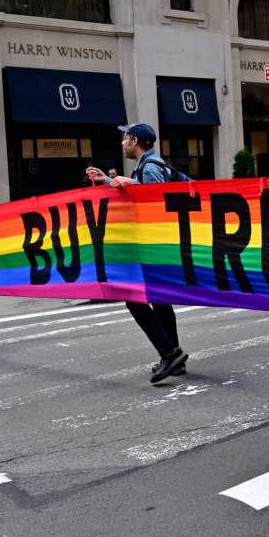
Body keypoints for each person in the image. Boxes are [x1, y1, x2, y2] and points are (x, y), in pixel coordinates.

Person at [86, 123, 189, 385]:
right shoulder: (149, 165)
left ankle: (169, 353)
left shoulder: (151, 167)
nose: (122, 143)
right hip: (160, 246)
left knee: (134, 299)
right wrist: (109, 181)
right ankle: (174, 358)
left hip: (154, 247)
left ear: (135, 140)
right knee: (161, 301)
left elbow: (157, 203)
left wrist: (130, 183)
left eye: (125, 138)